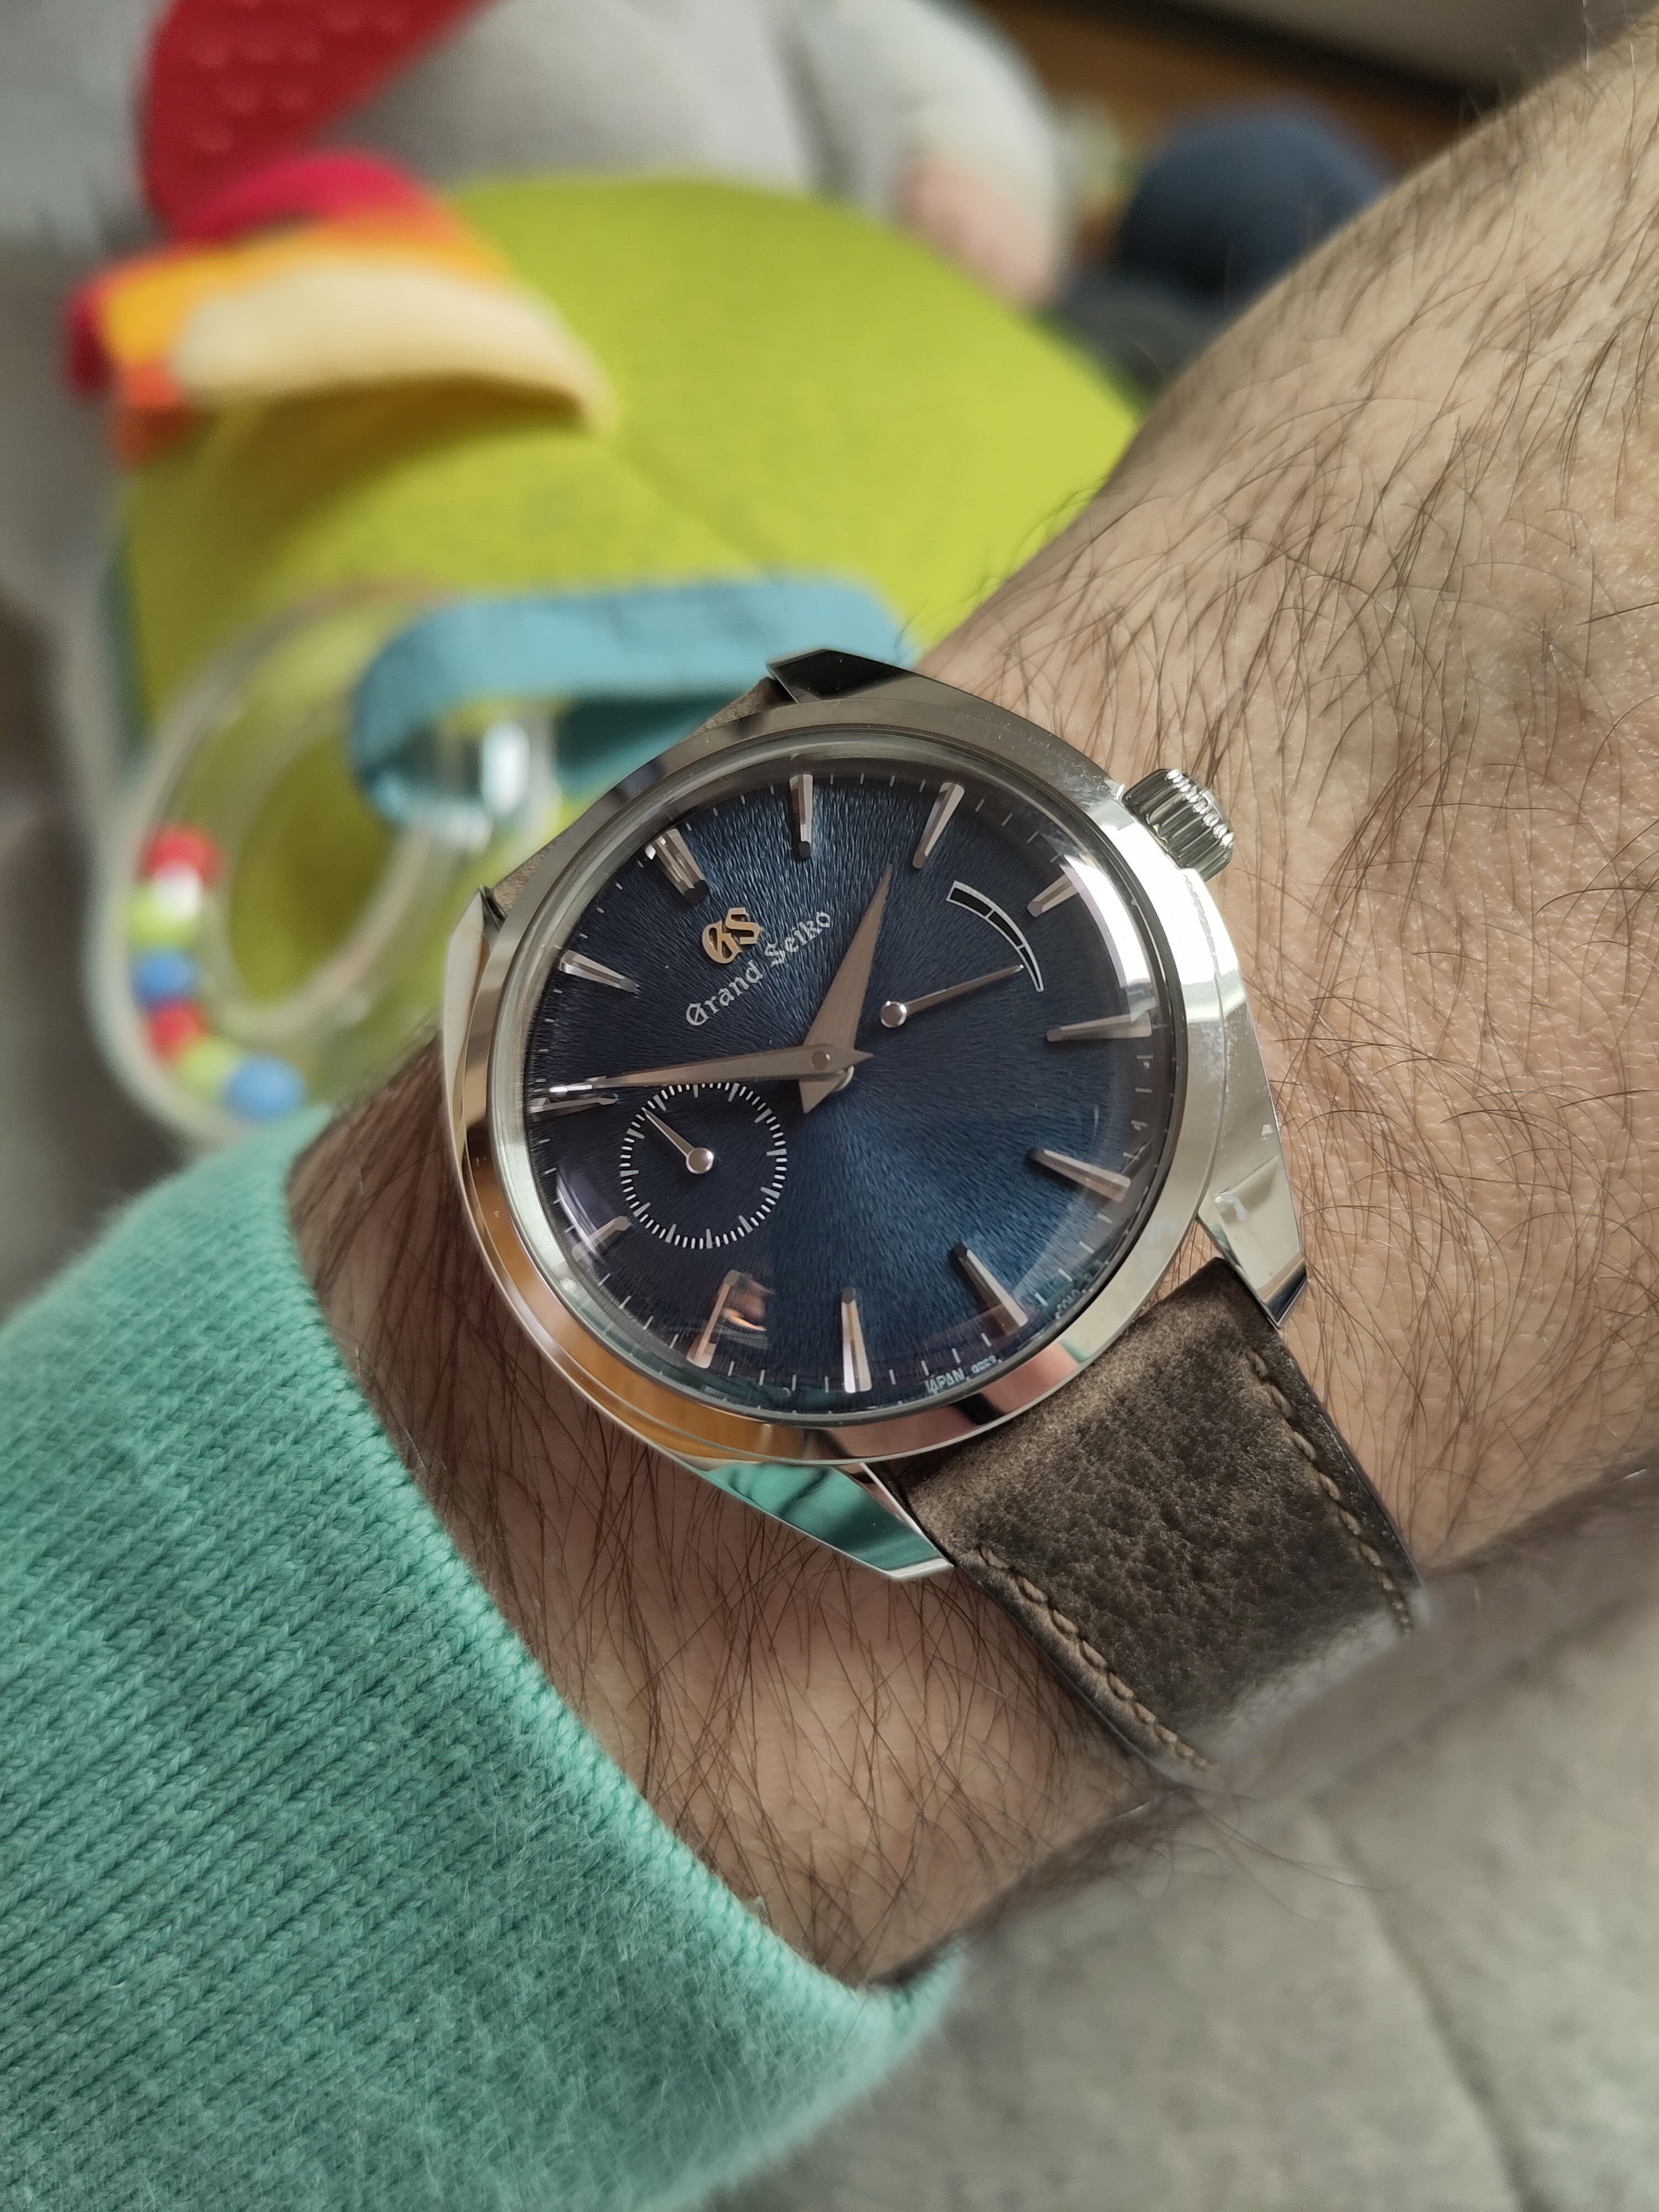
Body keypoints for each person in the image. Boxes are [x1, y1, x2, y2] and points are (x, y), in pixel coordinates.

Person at [7, 20, 1659, 2206]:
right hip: (766, 1284)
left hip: (967, 1032)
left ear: (1159, 844)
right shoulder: (616, 1226)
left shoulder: (1026, 898)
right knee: (1254, 189)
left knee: (1246, 190)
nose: (807, 1069)